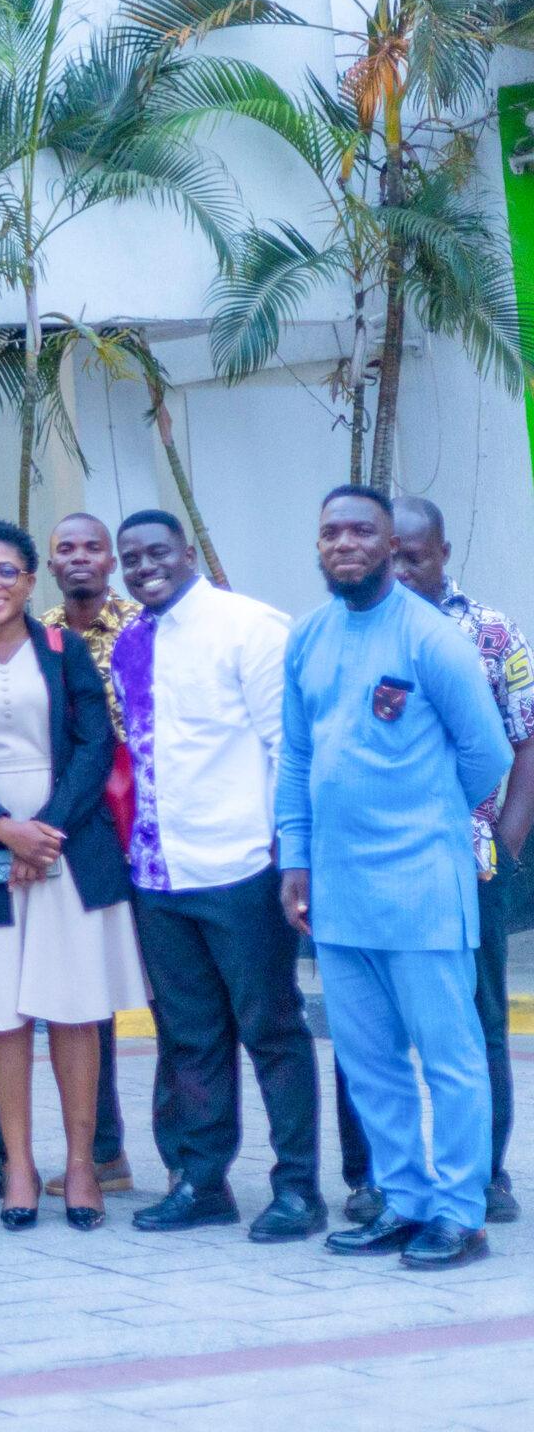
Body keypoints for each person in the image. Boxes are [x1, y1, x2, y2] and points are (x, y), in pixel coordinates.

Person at [283, 486, 511, 1270]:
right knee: (367, 1058)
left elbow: (491, 755)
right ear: (318, 548)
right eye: (330, 532)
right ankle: (404, 1200)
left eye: (360, 531)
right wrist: (295, 859)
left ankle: (460, 1213)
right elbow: (298, 762)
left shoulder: (432, 640)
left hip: (421, 887)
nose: (343, 543)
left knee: (448, 1056)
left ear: (388, 544)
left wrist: (432, 819)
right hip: (338, 895)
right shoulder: (308, 638)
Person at [0, 521, 150, 1232]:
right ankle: (18, 1163)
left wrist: (42, 831)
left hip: (68, 847)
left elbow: (93, 744)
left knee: (76, 1010)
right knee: (2, 1016)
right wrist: (1, 828)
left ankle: (81, 1164)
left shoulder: (64, 649)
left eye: (5, 571)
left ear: (28, 580)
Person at [107, 511, 323, 1241]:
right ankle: (201, 1182)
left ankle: (296, 1189)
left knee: (272, 1030)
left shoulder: (250, 626)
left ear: (189, 552)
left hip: (243, 868)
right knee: (189, 1036)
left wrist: (289, 856)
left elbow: (287, 748)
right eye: (129, 558)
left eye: (156, 553)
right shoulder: (130, 642)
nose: (143, 568)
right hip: (159, 873)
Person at [362, 495, 531, 1225]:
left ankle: (488, 1174)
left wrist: (508, 838)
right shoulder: (353, 628)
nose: (400, 569)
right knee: (372, 1022)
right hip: (373, 861)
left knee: (478, 1017)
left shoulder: (490, 632)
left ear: (444, 553)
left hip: (470, 860)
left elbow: (525, 740)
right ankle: (373, 1177)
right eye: (389, 555)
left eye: (415, 556)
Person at [0, 511, 135, 1200]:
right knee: (81, 999)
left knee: (155, 1001)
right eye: (65, 548)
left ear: (110, 559)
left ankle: (188, 1162)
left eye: (92, 547)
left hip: (147, 836)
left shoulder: (145, 626)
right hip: (69, 838)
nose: (79, 558)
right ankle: (103, 1152)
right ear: (47, 565)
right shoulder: (39, 636)